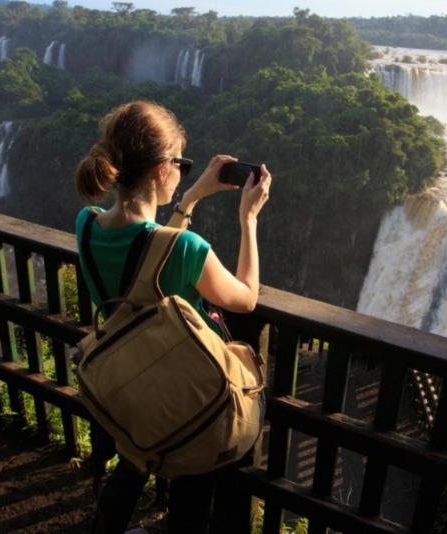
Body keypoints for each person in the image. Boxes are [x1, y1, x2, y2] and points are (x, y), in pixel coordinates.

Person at [74, 100, 271, 534]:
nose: (184, 171)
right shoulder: (187, 250)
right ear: (162, 169)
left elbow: (149, 259)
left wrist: (191, 198)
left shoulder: (85, 225)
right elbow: (245, 299)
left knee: (131, 462)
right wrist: (248, 219)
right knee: (192, 486)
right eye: (181, 163)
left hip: (124, 384)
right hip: (180, 395)